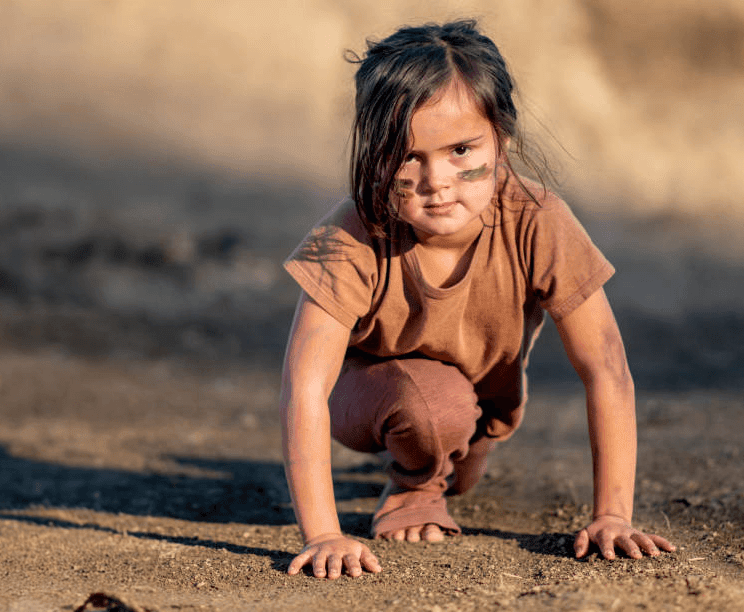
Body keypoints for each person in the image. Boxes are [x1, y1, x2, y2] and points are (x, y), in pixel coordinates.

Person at [280, 19, 674, 580]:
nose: (436, 178)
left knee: (453, 437)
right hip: (365, 396)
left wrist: (612, 515)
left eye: (462, 149)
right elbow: (305, 385)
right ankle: (413, 488)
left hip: (482, 411)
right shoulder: (352, 234)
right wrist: (322, 533)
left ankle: (443, 462)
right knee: (432, 407)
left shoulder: (537, 221)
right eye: (406, 155)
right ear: (374, 153)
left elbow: (605, 365)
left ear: (502, 140)